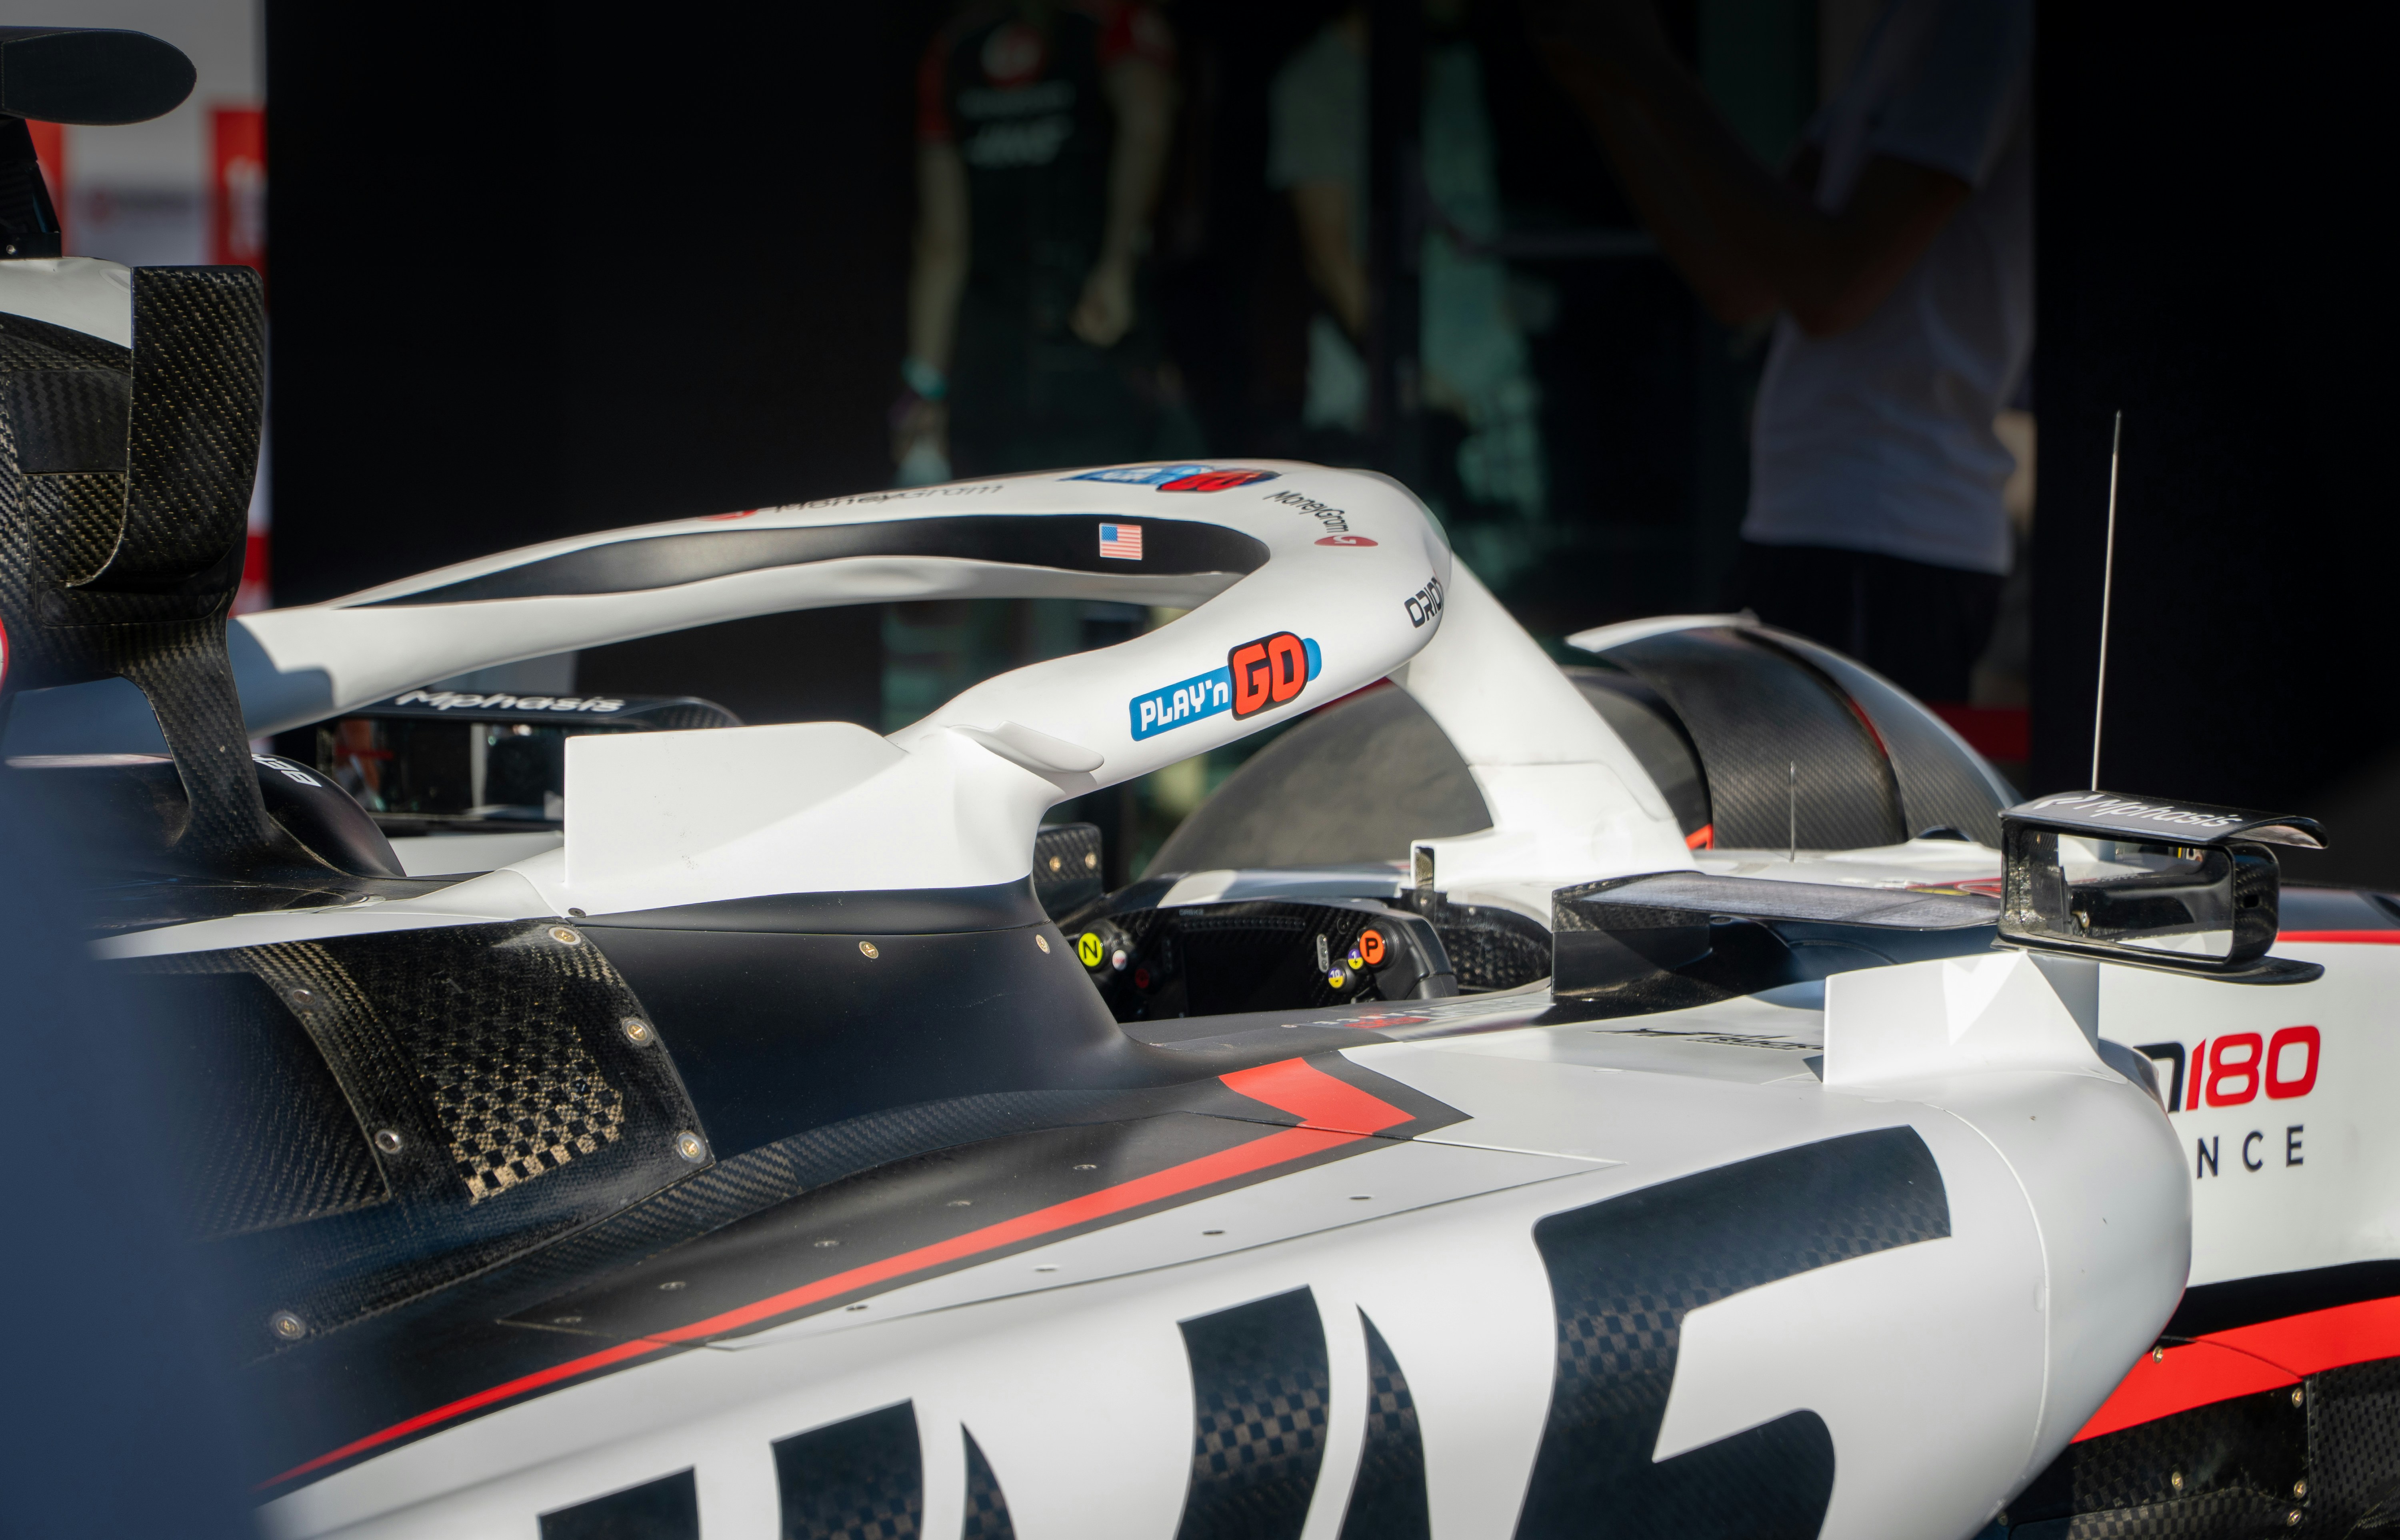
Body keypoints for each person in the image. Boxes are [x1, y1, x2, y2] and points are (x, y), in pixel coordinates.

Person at [1534, 0, 2032, 703]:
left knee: (1836, 780)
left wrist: (1651, 67)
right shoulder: (1901, 29)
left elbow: (1834, 285)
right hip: (1811, 519)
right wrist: (1610, 86)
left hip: (1890, 529)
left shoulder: (1986, 20)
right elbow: (1738, 279)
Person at [1270, 0, 1548, 529]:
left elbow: (1471, 213)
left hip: (1490, 377)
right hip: (1384, 397)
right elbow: (1328, 255)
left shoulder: (1457, 64)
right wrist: (1416, 381)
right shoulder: (1318, 81)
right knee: (1389, 560)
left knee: (1508, 561)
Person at [896, 0, 1185, 483]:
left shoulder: (955, 46)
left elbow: (941, 243)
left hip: (1022, 360)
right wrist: (1117, 263)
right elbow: (1149, 125)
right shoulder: (1114, 22)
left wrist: (925, 386)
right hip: (1079, 358)